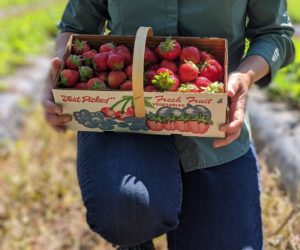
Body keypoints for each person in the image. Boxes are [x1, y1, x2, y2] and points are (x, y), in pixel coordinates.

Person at [43, 1, 295, 249]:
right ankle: (135, 237)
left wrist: (244, 76)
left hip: (213, 128)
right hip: (125, 118)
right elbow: (75, 26)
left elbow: (275, 33)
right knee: (128, 211)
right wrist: (57, 71)